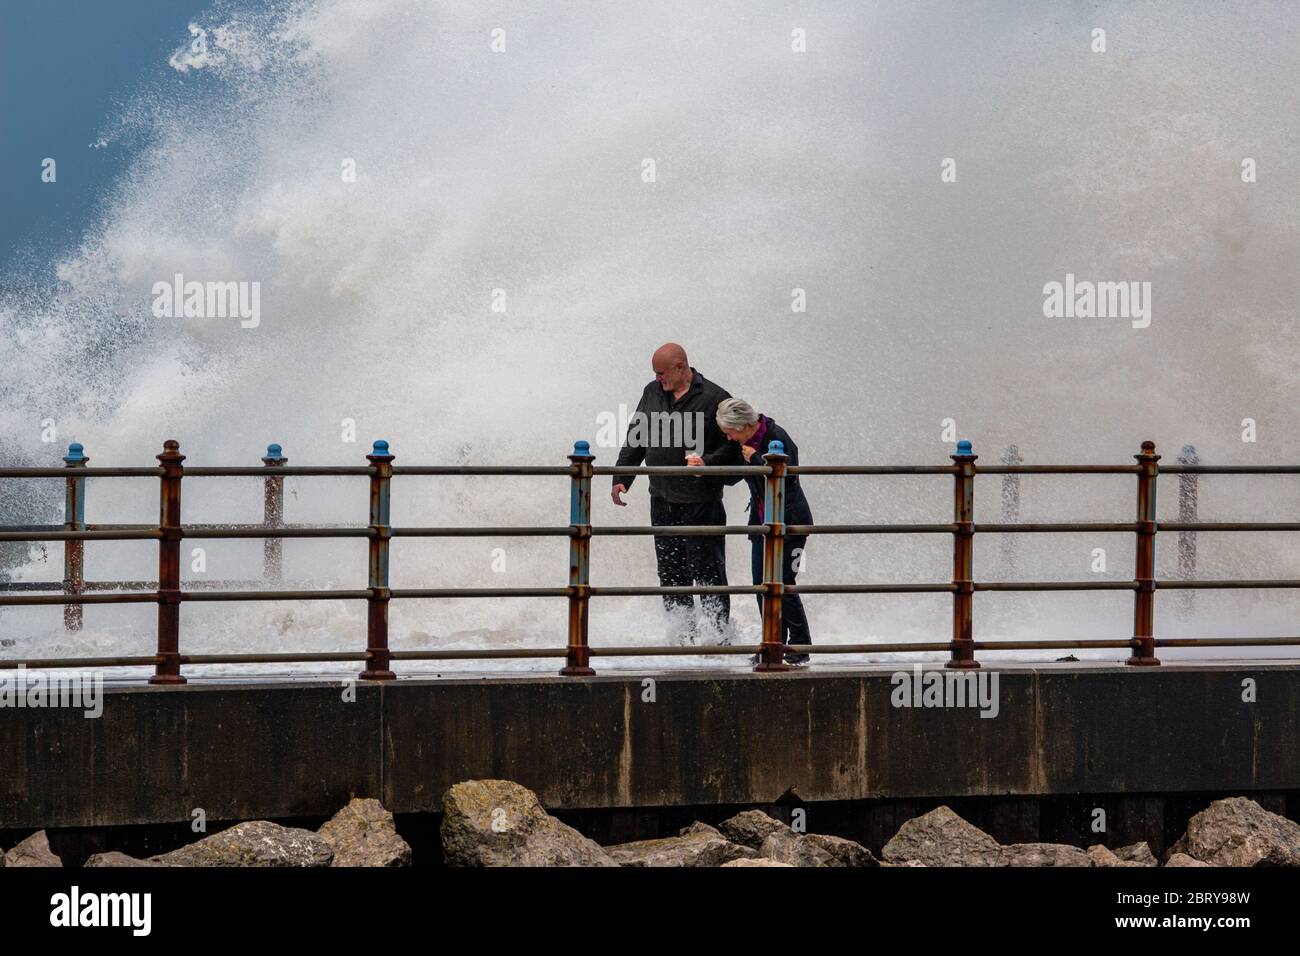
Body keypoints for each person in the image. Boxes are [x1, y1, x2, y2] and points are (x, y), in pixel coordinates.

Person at [612, 344, 734, 644]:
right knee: (670, 571)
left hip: (701, 502)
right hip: (662, 499)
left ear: (681, 367)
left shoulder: (715, 398)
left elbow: (732, 444)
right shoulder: (652, 392)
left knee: (708, 572)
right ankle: (681, 638)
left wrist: (707, 464)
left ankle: (718, 638)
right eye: (655, 374)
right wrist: (622, 477)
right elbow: (636, 435)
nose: (658, 379)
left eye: (662, 373)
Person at [688, 398, 812, 664]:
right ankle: (771, 642)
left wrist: (756, 459)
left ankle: (800, 646)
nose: (728, 437)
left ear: (745, 425)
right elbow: (736, 475)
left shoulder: (776, 436)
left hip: (790, 521)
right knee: (763, 585)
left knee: (783, 582)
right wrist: (705, 469)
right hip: (761, 522)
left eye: (729, 431)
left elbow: (787, 477)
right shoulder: (744, 442)